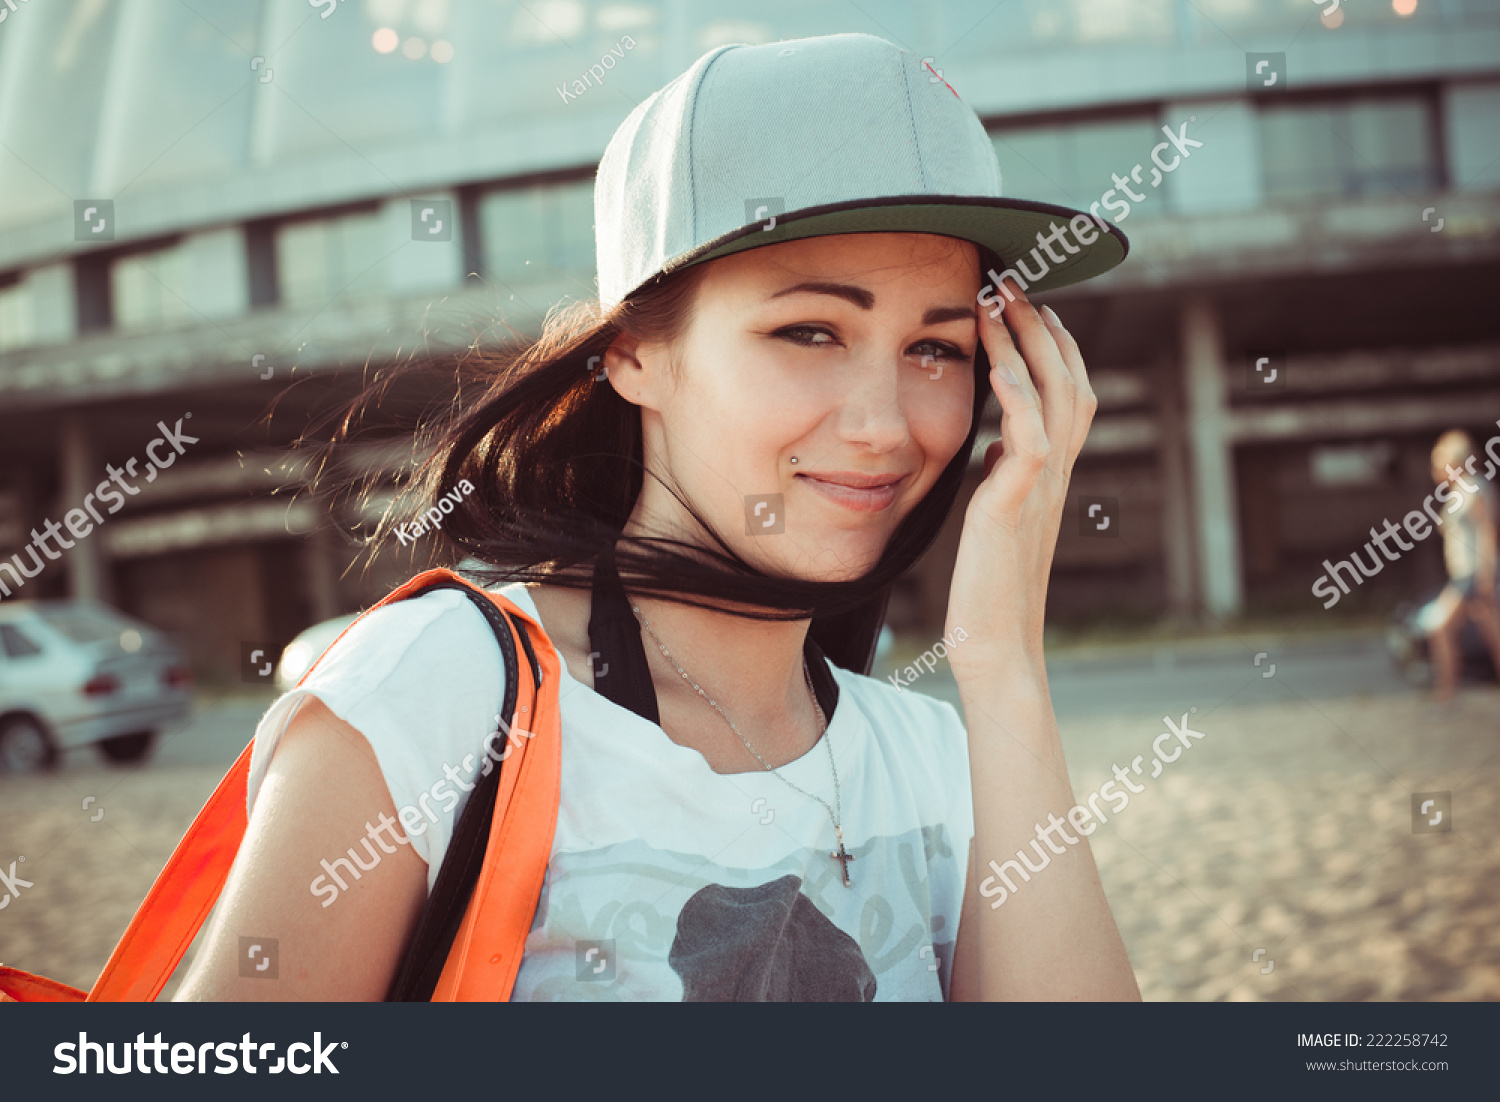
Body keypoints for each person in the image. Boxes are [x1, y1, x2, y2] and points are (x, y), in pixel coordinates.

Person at [176, 33, 1139, 1002]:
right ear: (634, 351)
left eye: (935, 347)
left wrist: (1006, 667)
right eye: (809, 331)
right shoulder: (435, 703)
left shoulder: (938, 766)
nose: (884, 424)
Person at [1426, 430, 1500, 703]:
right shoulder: (1458, 492)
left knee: (1439, 629)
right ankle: (1446, 696)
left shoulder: (1475, 487)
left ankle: (1445, 698)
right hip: (1464, 574)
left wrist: (1485, 578)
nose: (1434, 467)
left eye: (1438, 460)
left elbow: (1487, 533)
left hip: (1474, 575)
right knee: (1493, 635)